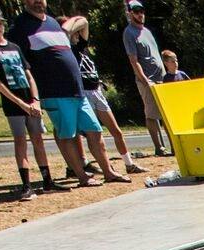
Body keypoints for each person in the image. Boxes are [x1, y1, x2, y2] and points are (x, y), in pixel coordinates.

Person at [9, 0, 127, 186]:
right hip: (54, 92)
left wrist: (65, 28)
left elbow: (82, 20)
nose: (37, 1)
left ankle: (108, 172)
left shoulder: (53, 23)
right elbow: (19, 64)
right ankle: (81, 176)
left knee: (95, 131)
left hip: (78, 90)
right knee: (67, 135)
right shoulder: (19, 27)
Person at [0, 6, 56, 200]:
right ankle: (26, 185)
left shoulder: (14, 47)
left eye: (1, 24)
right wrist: (21, 104)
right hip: (13, 104)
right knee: (21, 141)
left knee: (38, 139)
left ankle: (47, 181)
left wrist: (35, 101)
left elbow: (29, 75)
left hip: (31, 101)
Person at [64, 16, 146, 176]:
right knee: (93, 134)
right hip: (84, 93)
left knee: (116, 130)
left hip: (97, 91)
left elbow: (85, 22)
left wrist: (75, 20)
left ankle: (129, 164)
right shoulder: (67, 49)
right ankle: (105, 166)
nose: (77, 34)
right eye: (74, 32)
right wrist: (67, 29)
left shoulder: (82, 47)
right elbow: (65, 33)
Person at [121, 1, 169, 156]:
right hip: (148, 80)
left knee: (167, 113)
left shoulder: (146, 31)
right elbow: (133, 60)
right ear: (130, 13)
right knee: (151, 114)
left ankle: (173, 144)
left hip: (161, 78)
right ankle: (158, 147)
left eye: (142, 11)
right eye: (136, 12)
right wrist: (144, 79)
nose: (140, 14)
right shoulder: (129, 33)